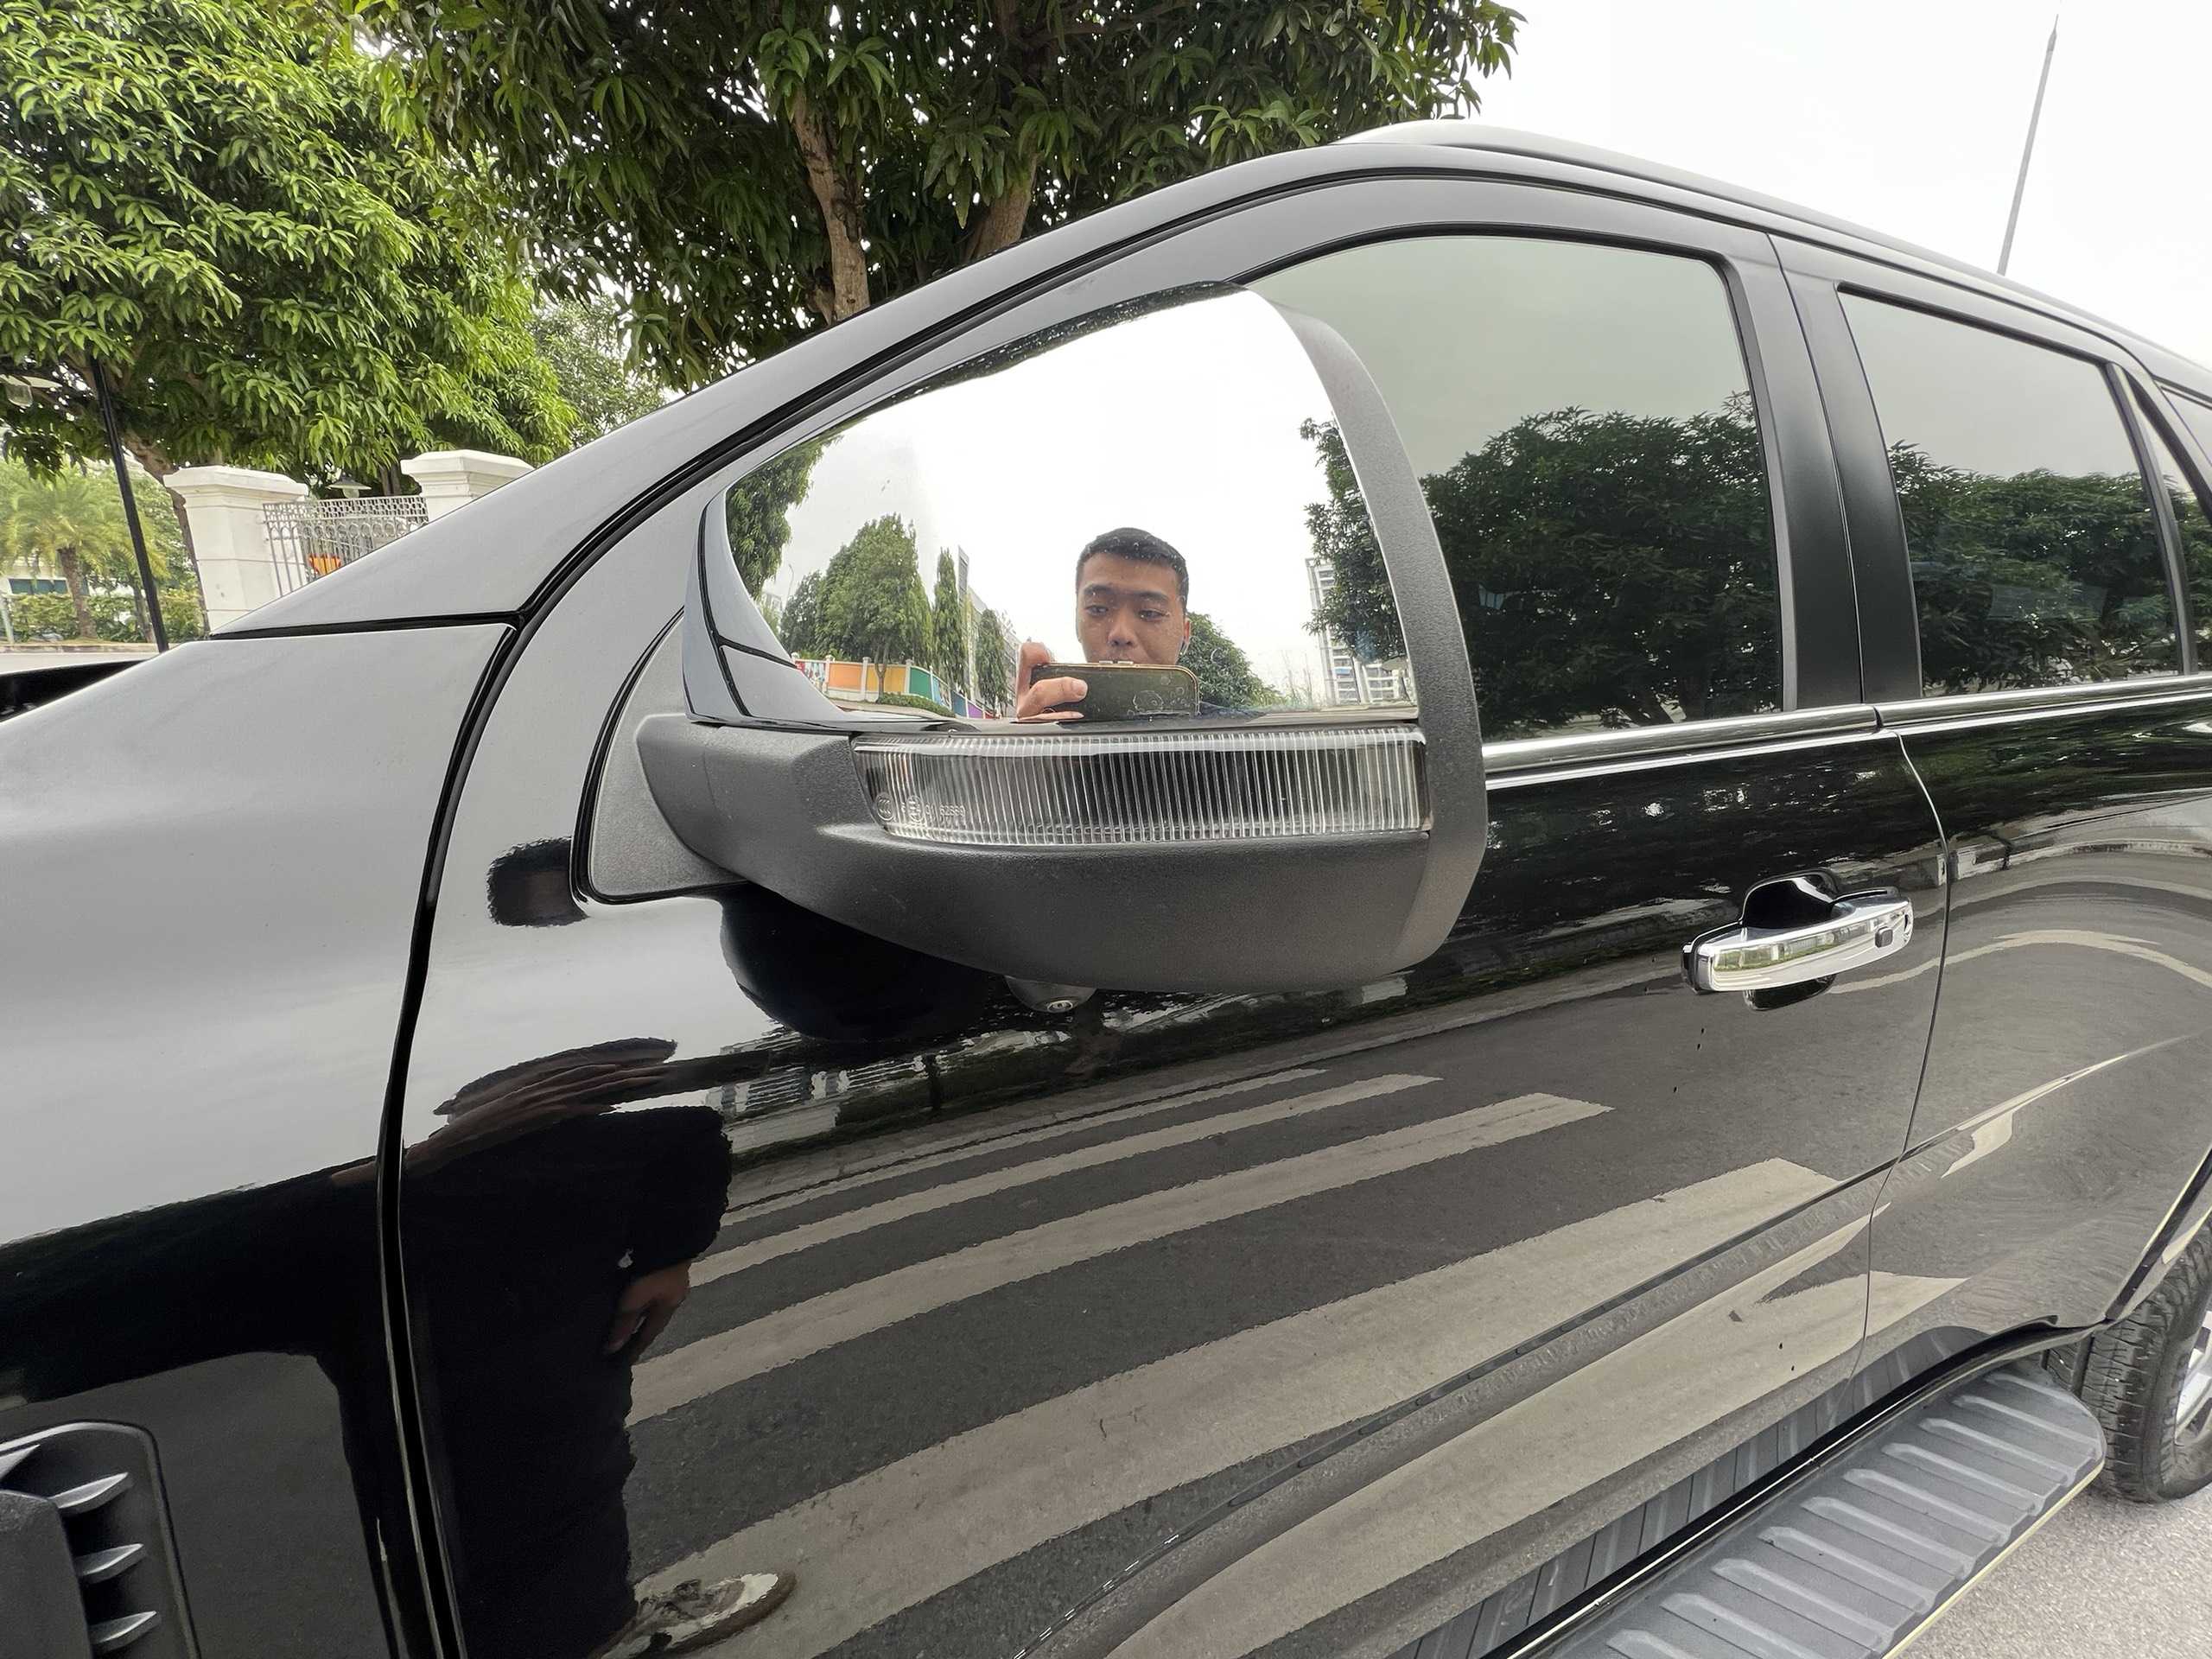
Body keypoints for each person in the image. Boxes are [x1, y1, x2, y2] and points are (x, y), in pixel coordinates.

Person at [1015, 527, 1192, 721]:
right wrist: (1025, 736)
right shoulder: (1052, 723)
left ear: (1185, 633)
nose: (1121, 634)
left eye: (1150, 612)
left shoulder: (1218, 734)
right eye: (1098, 609)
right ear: (1077, 623)